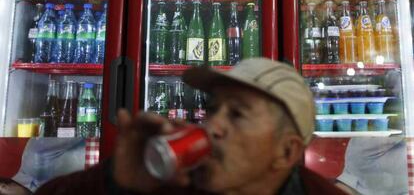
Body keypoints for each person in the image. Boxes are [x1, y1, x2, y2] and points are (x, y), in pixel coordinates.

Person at [35, 58, 347, 195]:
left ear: (287, 151)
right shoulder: (177, 183)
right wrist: (114, 180)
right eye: (212, 110)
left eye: (237, 115)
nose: (212, 125)